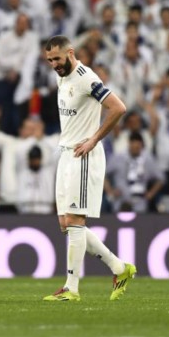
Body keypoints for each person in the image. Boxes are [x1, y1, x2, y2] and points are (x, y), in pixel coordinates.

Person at [42, 35, 136, 302]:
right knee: (66, 224)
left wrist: (94, 139)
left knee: (75, 222)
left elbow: (118, 108)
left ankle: (71, 288)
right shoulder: (62, 77)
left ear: (70, 53)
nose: (54, 65)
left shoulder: (85, 77)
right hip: (66, 154)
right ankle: (120, 268)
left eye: (57, 59)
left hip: (83, 155)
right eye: (49, 60)